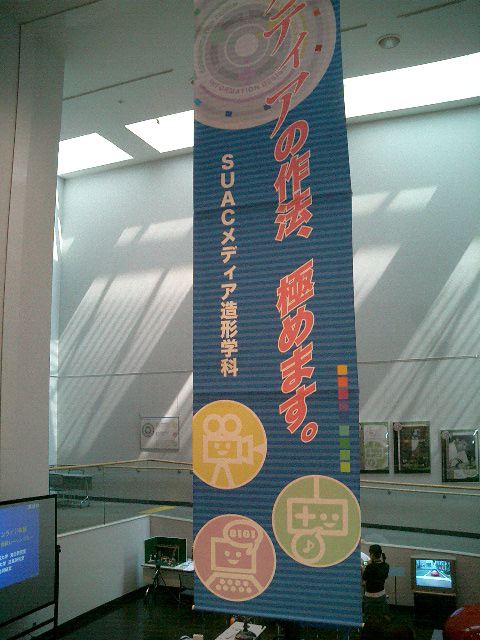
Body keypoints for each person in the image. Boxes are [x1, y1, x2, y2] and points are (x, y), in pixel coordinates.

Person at [362, 544, 390, 621]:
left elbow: (364, 577)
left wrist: (363, 568)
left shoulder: (370, 567)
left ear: (372, 555)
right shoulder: (386, 566)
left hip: (370, 596)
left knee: (367, 615)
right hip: (382, 594)